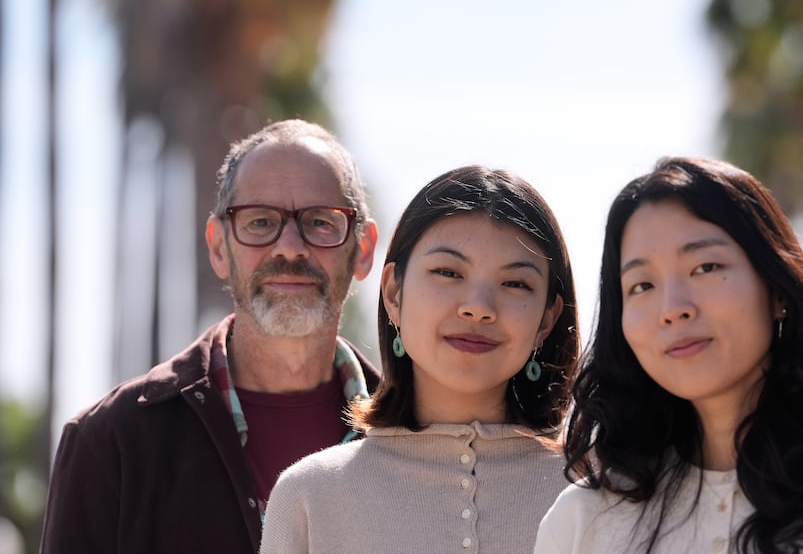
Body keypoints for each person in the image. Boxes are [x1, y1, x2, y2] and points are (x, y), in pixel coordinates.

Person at [535, 157, 803, 553]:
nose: (673, 308)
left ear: (778, 288)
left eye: (706, 267)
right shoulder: (582, 523)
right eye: (642, 286)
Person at [39, 119, 381, 554]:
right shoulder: (111, 444)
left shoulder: (419, 435)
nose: (290, 247)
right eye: (260, 222)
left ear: (363, 249)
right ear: (219, 247)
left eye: (320, 222)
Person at [260, 165, 580, 553]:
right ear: (394, 293)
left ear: (547, 318)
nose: (478, 308)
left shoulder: (598, 492)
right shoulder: (309, 497)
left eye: (515, 283)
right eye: (447, 272)